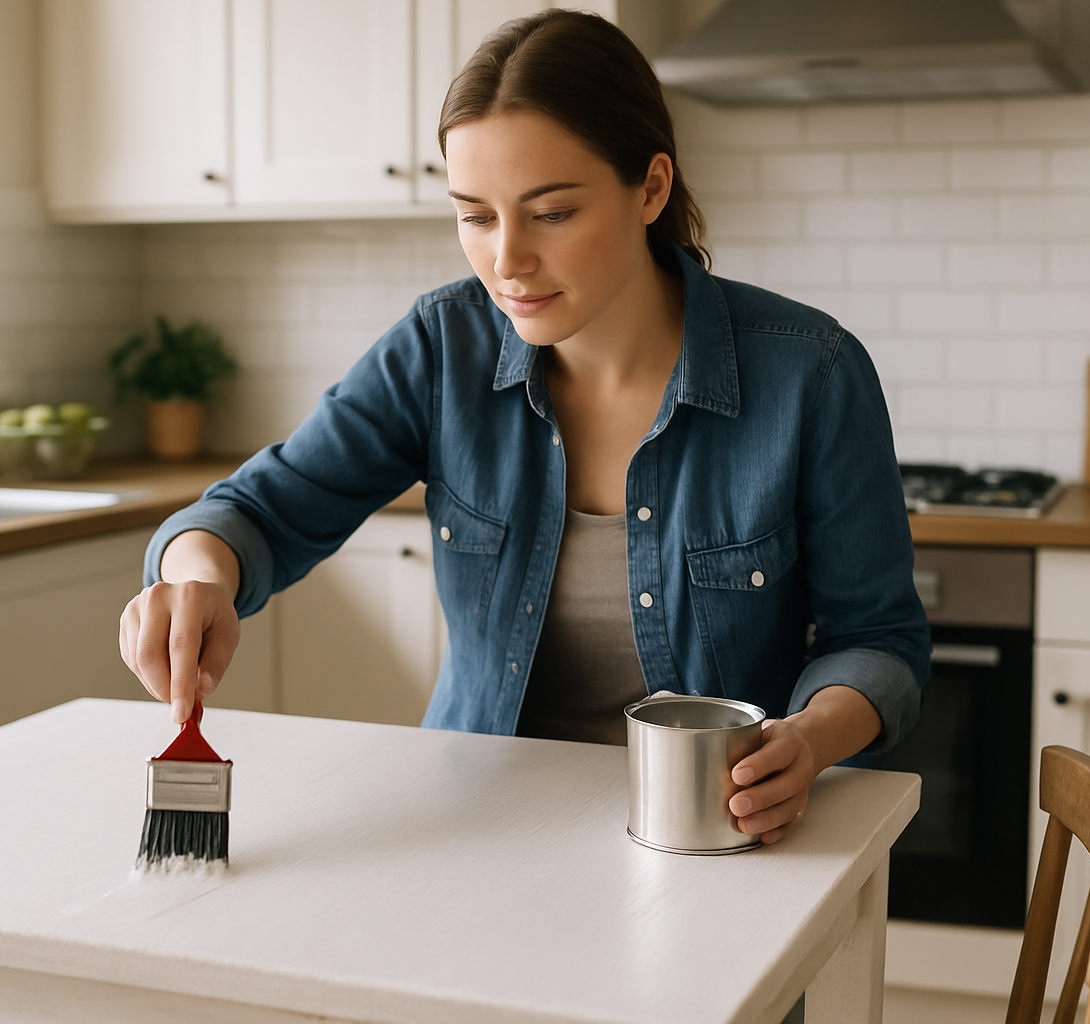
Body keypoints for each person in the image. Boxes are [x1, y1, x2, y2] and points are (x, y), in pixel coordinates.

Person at [119, 9, 929, 847]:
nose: (507, 259)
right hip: (478, 830)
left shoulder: (811, 373)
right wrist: (196, 577)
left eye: (550, 213)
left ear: (650, 187)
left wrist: (810, 737)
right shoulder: (441, 349)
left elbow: (878, 640)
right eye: (475, 215)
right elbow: (261, 509)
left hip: (719, 839)